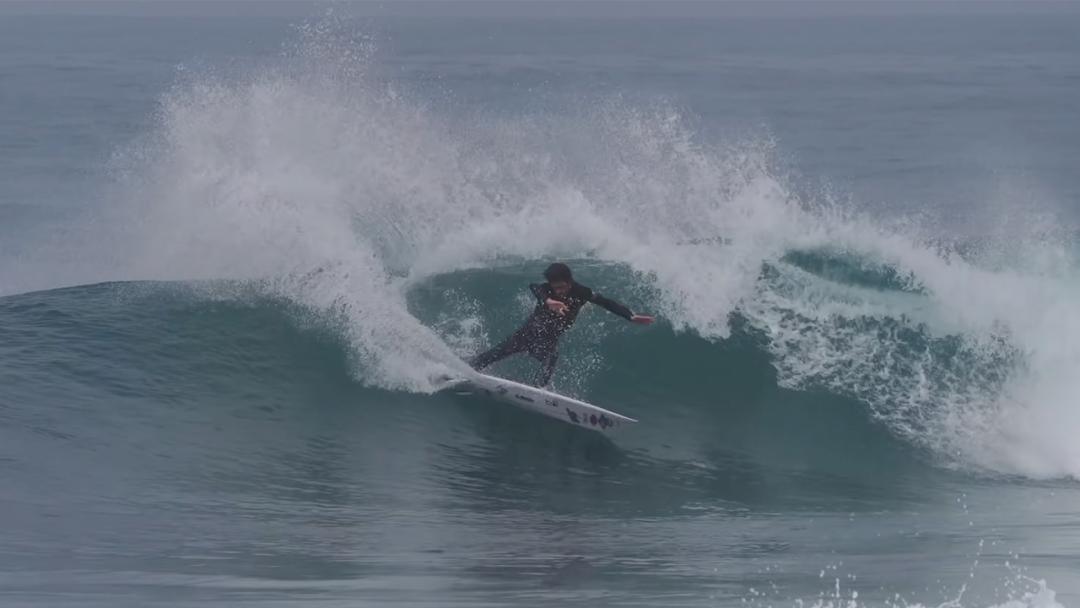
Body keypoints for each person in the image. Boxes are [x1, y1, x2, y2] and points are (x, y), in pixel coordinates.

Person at [470, 262, 655, 387]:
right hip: (529, 333)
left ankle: (538, 391)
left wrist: (629, 316)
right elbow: (535, 287)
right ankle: (465, 369)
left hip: (550, 338)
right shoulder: (547, 290)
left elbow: (607, 303)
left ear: (570, 281)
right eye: (555, 287)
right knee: (494, 354)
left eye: (562, 287)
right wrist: (548, 301)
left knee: (551, 359)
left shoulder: (582, 292)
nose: (559, 291)